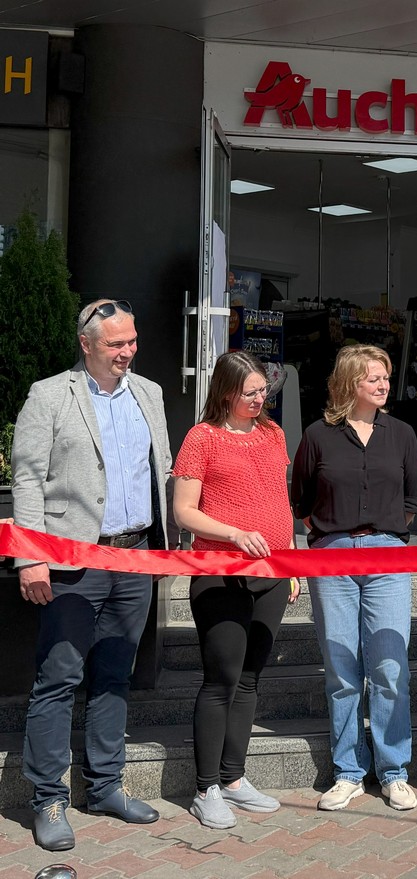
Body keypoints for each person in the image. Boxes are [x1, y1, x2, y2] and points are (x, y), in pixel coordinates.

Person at [11, 298, 170, 851]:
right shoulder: (50, 395)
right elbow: (28, 479)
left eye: (131, 341)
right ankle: (48, 799)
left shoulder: (149, 393)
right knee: (58, 678)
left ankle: (105, 786)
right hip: (72, 562)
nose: (127, 352)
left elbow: (162, 475)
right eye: (115, 343)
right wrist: (30, 555)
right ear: (86, 344)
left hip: (135, 559)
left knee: (114, 676)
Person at [292, 345, 417, 813]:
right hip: (333, 557)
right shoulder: (316, 435)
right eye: (373, 377)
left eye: (386, 376)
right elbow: (301, 499)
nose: (384, 384)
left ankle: (393, 771)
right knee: (343, 672)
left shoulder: (403, 433)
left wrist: (384, 534)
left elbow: (413, 497)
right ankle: (349, 771)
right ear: (350, 382)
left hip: (388, 554)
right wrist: (332, 536)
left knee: (390, 669)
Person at [172, 351, 298, 829]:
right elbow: (185, 511)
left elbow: (277, 498)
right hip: (219, 570)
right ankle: (205, 788)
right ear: (226, 392)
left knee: (250, 677)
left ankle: (233, 778)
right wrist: (231, 533)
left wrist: (291, 559)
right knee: (222, 677)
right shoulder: (201, 438)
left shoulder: (272, 434)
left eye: (264, 390)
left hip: (272, 571)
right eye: (251, 392)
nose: (260, 398)